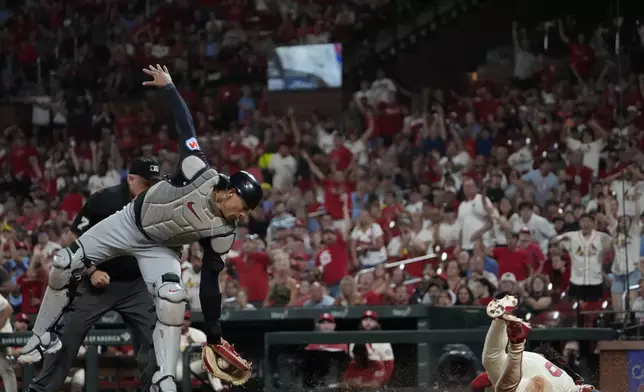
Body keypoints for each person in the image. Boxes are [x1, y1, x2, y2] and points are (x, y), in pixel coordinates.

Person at [18, 65, 262, 392]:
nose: (243, 215)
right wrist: (170, 87)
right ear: (231, 192)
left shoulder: (224, 231)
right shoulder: (197, 172)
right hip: (127, 226)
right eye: (244, 207)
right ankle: (41, 341)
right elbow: (185, 126)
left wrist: (215, 334)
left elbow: (209, 282)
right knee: (64, 264)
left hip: (158, 253)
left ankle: (164, 381)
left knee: (173, 298)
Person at [27, 156, 162, 392]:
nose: (151, 188)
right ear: (131, 179)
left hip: (135, 285)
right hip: (96, 283)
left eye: (155, 183)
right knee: (67, 338)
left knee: (156, 341)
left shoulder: (157, 204)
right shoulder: (105, 200)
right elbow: (73, 238)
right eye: (147, 183)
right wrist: (92, 271)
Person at [474, 295, 599, 392]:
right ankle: (505, 329)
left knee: (492, 359)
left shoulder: (565, 377)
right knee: (495, 365)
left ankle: (500, 321)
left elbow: (477, 384)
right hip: (536, 379)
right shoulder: (567, 383)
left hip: (525, 368)